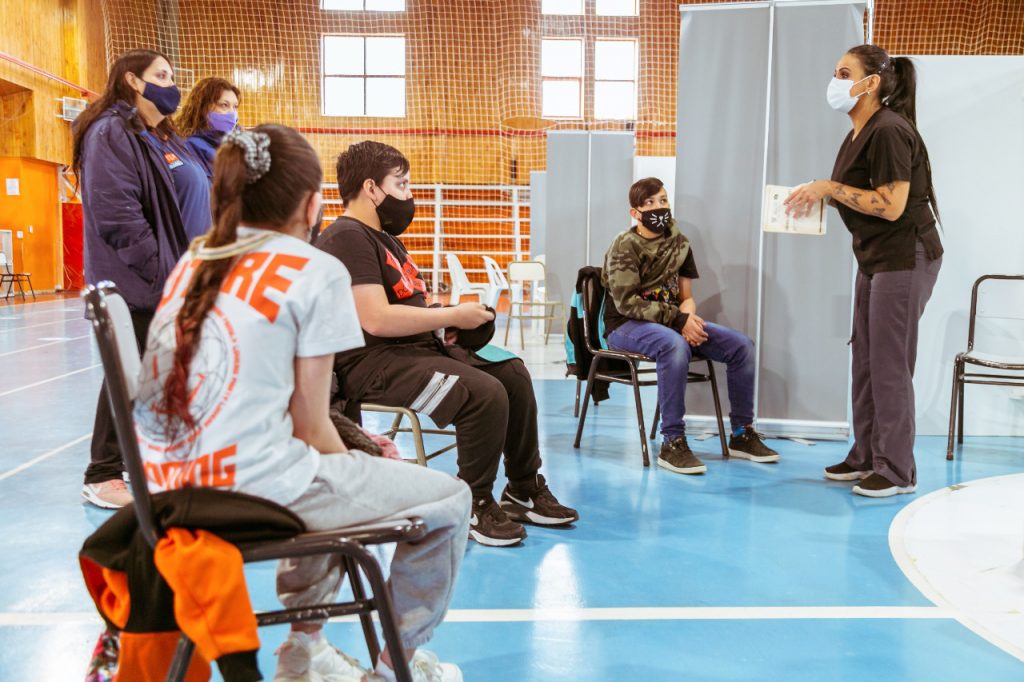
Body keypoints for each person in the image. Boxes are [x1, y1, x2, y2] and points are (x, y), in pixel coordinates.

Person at [133, 124, 469, 682]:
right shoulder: (315, 268)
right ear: (312, 205)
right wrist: (363, 458)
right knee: (450, 500)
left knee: (332, 469)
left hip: (166, 494)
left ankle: (305, 654)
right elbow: (312, 428)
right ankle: (392, 667)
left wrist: (354, 449)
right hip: (252, 492)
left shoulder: (193, 262)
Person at [316, 141, 578, 548]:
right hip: (372, 365)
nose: (409, 195)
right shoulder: (346, 237)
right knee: (483, 393)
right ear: (371, 188)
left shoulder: (387, 240)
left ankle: (522, 489)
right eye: (401, 184)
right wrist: (450, 314)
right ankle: (473, 502)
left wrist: (450, 323)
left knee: (512, 373)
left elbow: (409, 307)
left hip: (414, 351)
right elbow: (376, 318)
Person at [785, 45, 942, 498]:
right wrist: (816, 194)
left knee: (890, 364)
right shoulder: (859, 131)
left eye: (843, 73)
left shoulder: (889, 130)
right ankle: (868, 454)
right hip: (875, 257)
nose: (834, 82)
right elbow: (855, 194)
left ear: (870, 83)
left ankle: (896, 470)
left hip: (904, 254)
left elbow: (891, 206)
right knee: (866, 360)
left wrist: (829, 188)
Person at [74, 48, 207, 509]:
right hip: (133, 281)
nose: (172, 84)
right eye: (162, 75)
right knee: (126, 373)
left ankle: (136, 460)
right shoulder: (111, 130)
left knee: (151, 373)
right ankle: (103, 473)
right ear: (132, 80)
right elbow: (117, 213)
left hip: (160, 278)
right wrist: (158, 268)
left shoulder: (153, 134)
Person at [602, 177, 780, 475]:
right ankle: (672, 442)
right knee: (673, 345)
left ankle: (741, 433)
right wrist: (679, 321)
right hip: (625, 325)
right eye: (649, 203)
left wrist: (688, 319)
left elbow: (686, 297)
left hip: (669, 322)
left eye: (663, 200)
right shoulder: (625, 245)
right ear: (635, 212)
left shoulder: (680, 243)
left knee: (741, 346)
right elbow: (627, 303)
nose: (658, 207)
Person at [176, 76, 241, 177]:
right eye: (224, 105)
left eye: (235, 107)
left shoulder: (234, 144)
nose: (232, 113)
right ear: (203, 108)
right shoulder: (189, 146)